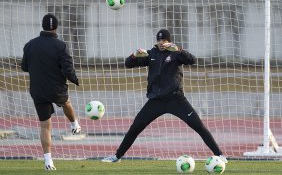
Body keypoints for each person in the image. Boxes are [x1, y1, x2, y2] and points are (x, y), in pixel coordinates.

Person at [102, 29, 228, 163]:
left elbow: (192, 60)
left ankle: (220, 155)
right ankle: (117, 156)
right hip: (156, 101)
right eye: (159, 40)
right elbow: (128, 64)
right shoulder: (151, 54)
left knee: (198, 126)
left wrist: (178, 49)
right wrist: (134, 55)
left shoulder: (176, 53)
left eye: (164, 40)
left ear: (169, 41)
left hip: (176, 99)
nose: (161, 43)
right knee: (135, 127)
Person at [21, 13, 81, 170]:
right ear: (56, 27)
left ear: (42, 26)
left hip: (38, 90)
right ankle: (74, 124)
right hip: (57, 89)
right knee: (66, 102)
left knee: (45, 126)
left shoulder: (29, 45)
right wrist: (75, 80)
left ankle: (48, 161)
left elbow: (24, 67)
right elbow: (68, 69)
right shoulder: (61, 46)